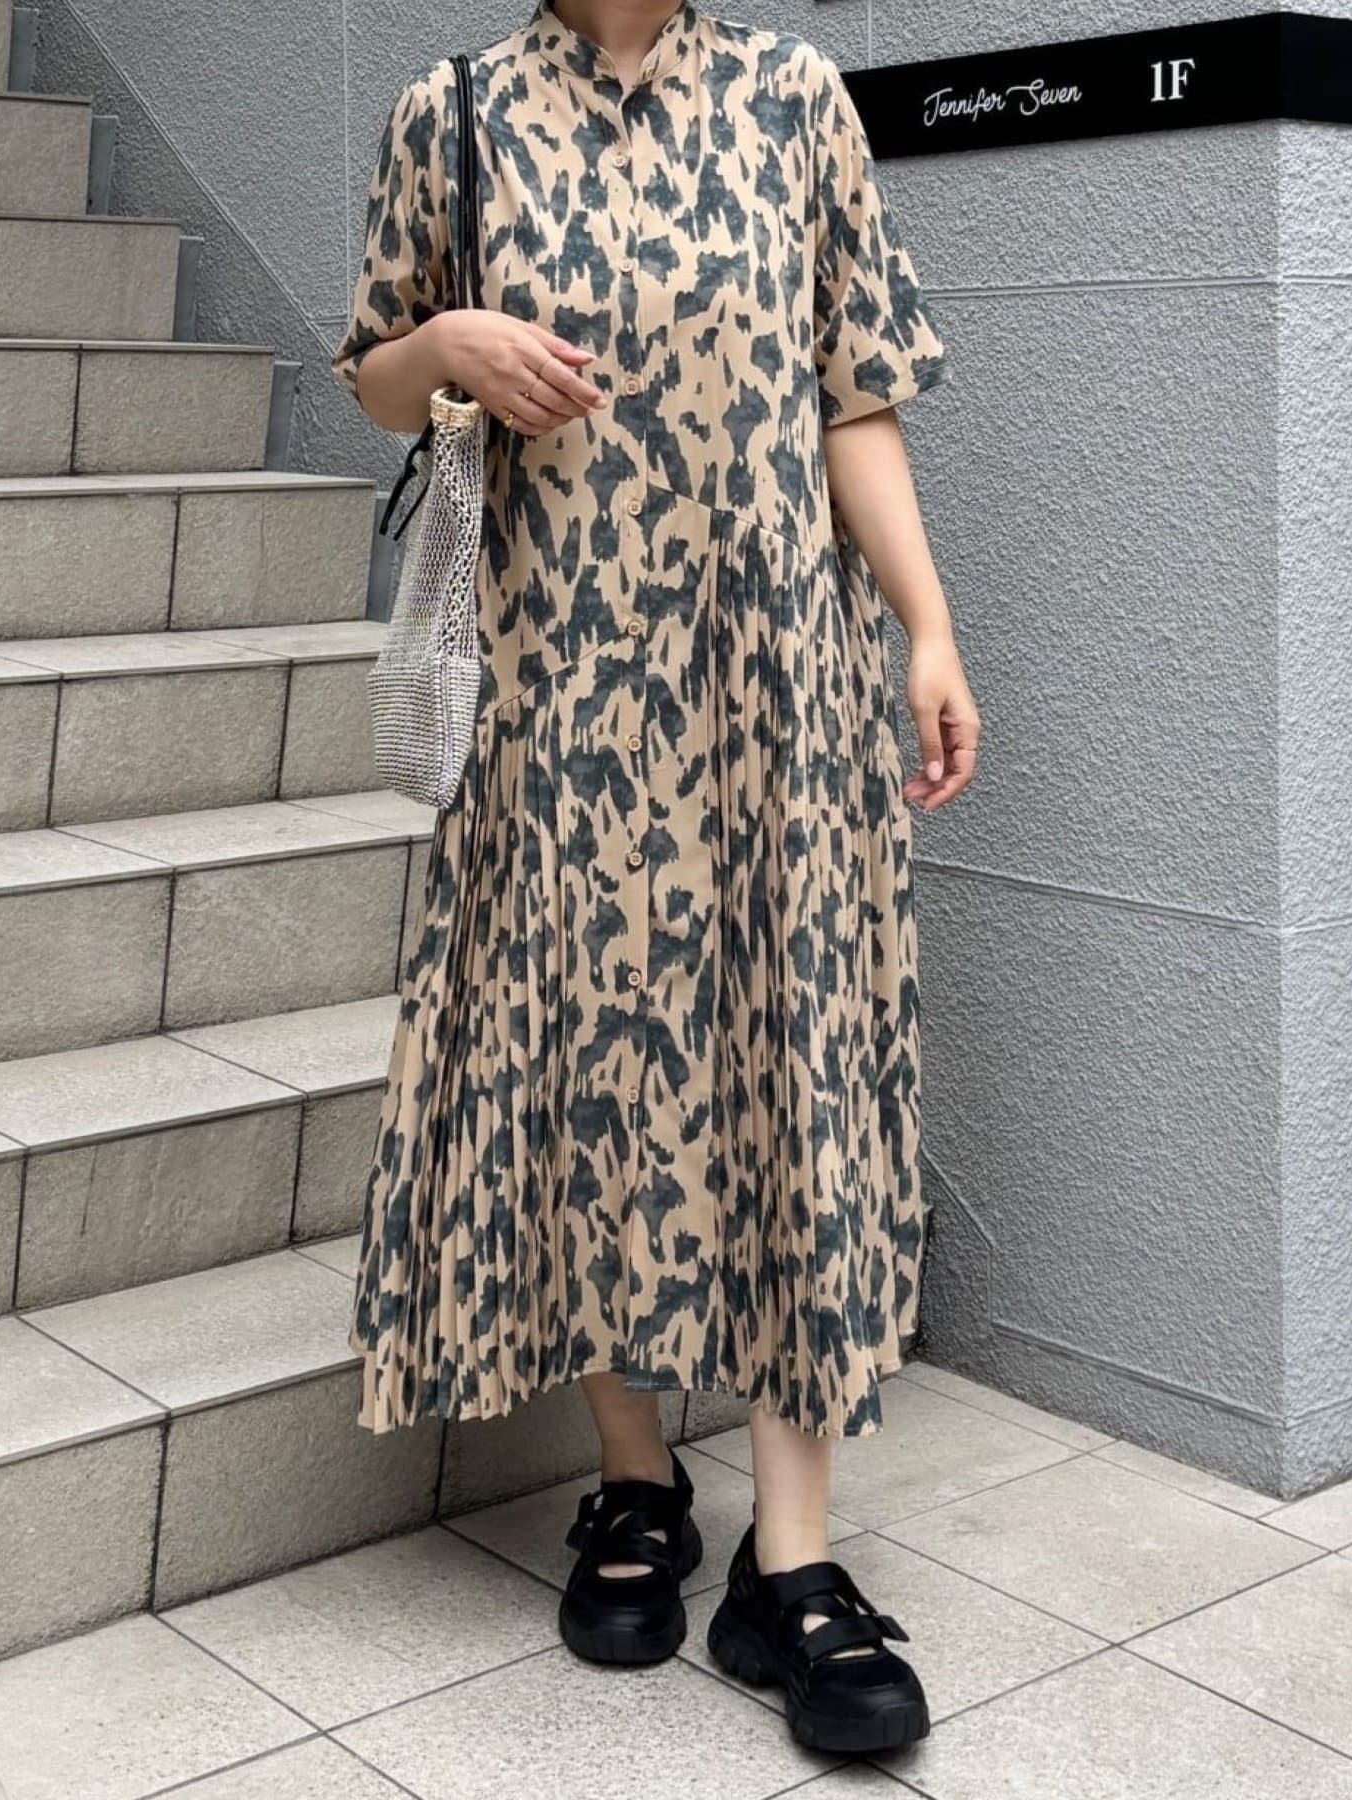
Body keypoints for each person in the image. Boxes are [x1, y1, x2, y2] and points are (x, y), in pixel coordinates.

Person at [332, 0, 980, 1756]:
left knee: (788, 1062)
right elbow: (376, 374)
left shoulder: (793, 98)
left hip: (773, 689)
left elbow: (854, 394)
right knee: (593, 1064)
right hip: (558, 689)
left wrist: (925, 626)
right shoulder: (454, 112)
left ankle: (795, 1563)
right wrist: (449, 341)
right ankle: (635, 1480)